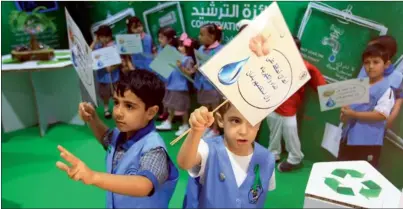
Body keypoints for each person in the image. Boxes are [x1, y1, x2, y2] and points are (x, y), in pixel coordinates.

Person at [178, 32, 276, 208]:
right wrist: (195, 132)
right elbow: (185, 162)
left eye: (252, 122)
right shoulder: (208, 149)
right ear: (220, 120)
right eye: (235, 121)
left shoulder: (267, 159)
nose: (244, 131)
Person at [56, 70, 179, 208]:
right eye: (116, 102)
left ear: (151, 112)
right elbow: (105, 138)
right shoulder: (121, 134)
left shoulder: (154, 149)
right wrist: (92, 118)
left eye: (129, 106)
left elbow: (144, 185)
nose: (118, 112)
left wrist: (93, 176)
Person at [267, 36, 327, 172]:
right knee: (274, 131)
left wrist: (333, 96)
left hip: (290, 108)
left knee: (290, 132)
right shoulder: (272, 62)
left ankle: (295, 157)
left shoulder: (305, 67)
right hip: (272, 104)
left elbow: (321, 85)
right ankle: (273, 154)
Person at [339, 43, 395, 168]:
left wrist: (353, 114)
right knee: (341, 170)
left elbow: (381, 114)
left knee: (361, 174)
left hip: (368, 143)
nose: (370, 66)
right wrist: (345, 113)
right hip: (348, 138)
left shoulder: (386, 89)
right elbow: (347, 113)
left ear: (386, 65)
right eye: (367, 62)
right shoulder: (358, 86)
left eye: (376, 62)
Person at [156, 33, 199, 136]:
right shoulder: (176, 56)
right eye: (179, 45)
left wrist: (180, 67)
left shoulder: (188, 59)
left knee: (182, 107)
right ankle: (168, 122)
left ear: (188, 49)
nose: (179, 48)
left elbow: (189, 74)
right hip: (171, 85)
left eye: (181, 46)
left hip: (180, 87)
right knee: (171, 105)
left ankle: (185, 125)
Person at [357, 35, 402, 130]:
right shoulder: (365, 69)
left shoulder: (396, 79)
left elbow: (396, 105)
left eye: (373, 49)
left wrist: (383, 127)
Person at [194, 23, 225, 139]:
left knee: (215, 108)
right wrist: (197, 66)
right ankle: (207, 126)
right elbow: (199, 62)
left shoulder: (220, 50)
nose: (199, 37)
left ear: (212, 37)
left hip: (213, 86)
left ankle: (216, 130)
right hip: (202, 84)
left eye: (202, 35)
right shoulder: (201, 49)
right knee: (205, 107)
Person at [90, 25, 120, 119]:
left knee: (116, 93)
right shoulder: (98, 46)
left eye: (105, 37)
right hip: (103, 76)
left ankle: (118, 108)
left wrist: (113, 67)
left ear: (110, 36)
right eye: (101, 37)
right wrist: (94, 41)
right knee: (105, 94)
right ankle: (106, 109)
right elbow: (88, 52)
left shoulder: (115, 45)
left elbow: (120, 61)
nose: (103, 39)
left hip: (114, 75)